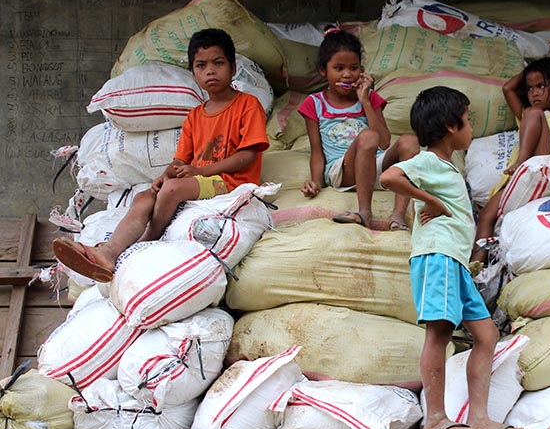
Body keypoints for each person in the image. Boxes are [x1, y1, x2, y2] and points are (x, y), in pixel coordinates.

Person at [53, 28, 269, 282]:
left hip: (229, 182)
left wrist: (198, 172)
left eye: (218, 63)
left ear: (233, 68)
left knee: (171, 191)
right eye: (201, 65)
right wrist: (165, 175)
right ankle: (107, 254)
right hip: (198, 181)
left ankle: (146, 242)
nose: (210, 70)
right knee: (145, 196)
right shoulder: (195, 115)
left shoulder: (247, 105)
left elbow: (248, 156)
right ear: (194, 73)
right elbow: (180, 160)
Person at [380, 86, 525, 429]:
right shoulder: (428, 161)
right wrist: (431, 201)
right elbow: (388, 176)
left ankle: (480, 418)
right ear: (449, 126)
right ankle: (435, 421)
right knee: (439, 332)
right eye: (468, 120)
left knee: (487, 335)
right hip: (437, 257)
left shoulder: (448, 165)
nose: (472, 128)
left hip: (456, 264)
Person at [298, 26, 419, 230]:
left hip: (375, 165)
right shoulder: (314, 103)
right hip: (342, 171)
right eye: (339, 69)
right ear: (323, 70)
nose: (347, 75)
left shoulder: (369, 98)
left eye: (354, 68)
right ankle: (364, 212)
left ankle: (397, 216)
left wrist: (365, 100)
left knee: (410, 141)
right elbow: (317, 151)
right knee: (367, 137)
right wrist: (316, 181)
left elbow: (384, 142)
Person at [471, 57, 550, 264]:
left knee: (534, 114)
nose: (534, 92)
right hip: (517, 178)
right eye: (530, 88)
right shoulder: (527, 116)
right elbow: (508, 89)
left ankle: (523, 162)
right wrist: (531, 70)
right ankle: (477, 265)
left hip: (543, 168)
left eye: (541, 86)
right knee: (487, 215)